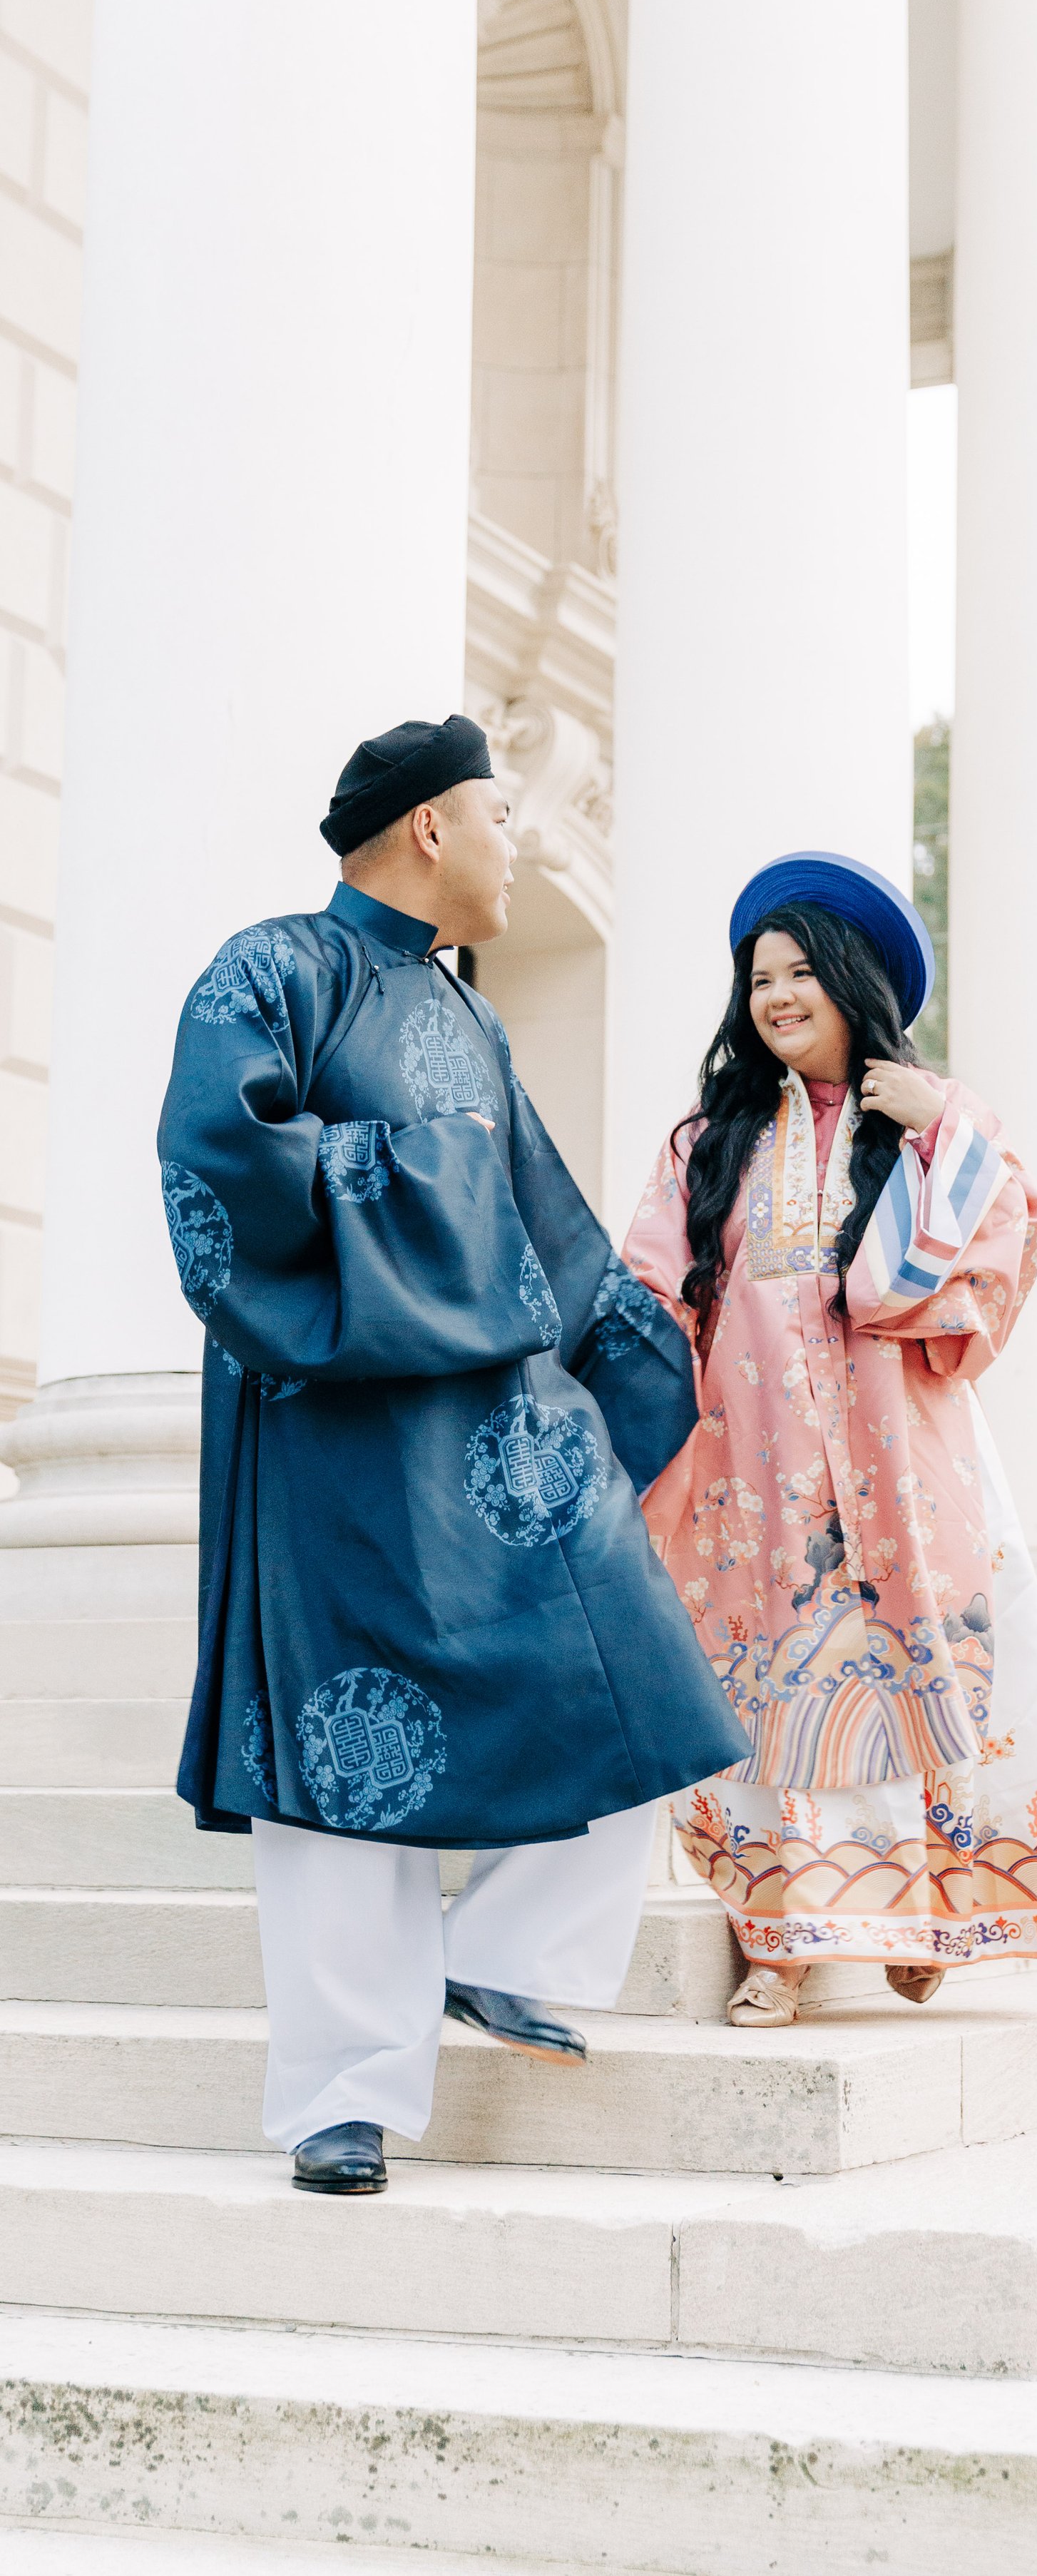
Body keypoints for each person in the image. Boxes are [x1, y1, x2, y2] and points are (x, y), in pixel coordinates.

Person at [158, 714, 749, 2192]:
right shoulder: (265, 971)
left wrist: (652, 1337)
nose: (518, 843)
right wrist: (434, 1201)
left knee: (642, 1689)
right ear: (430, 827)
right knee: (348, 1747)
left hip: (496, 1435)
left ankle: (499, 1952)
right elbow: (223, 1174)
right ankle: (339, 2100)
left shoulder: (470, 1015)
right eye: (500, 816)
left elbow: (538, 1220)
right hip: (333, 1432)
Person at [622, 850, 1037, 2026]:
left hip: (904, 1461)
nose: (775, 995)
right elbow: (647, 1288)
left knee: (914, 1669)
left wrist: (943, 1126)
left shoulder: (934, 1127)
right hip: (755, 1470)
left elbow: (1016, 1233)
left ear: (848, 980)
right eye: (759, 976)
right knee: (777, 1687)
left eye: (799, 972)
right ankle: (782, 1942)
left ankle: (923, 1911)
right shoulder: (710, 1141)